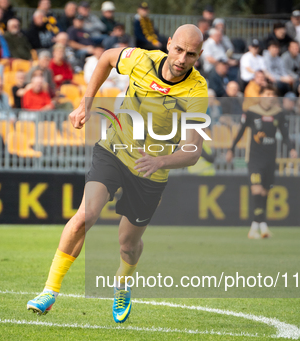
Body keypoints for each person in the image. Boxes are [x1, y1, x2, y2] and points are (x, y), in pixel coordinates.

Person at [25, 25, 208, 323]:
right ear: (169, 43)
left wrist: (161, 162)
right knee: (86, 215)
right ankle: (49, 291)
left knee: (128, 244)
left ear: (199, 56)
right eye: (178, 50)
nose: (182, 59)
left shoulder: (197, 91)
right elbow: (108, 57)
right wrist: (87, 101)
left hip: (151, 170)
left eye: (191, 55)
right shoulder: (142, 59)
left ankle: (122, 283)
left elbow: (194, 150)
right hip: (113, 149)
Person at [226, 86, 297, 239]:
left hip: (270, 159)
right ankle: (256, 229)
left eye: (272, 94)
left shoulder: (278, 114)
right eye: (267, 94)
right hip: (254, 158)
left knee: (265, 192)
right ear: (261, 96)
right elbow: (241, 130)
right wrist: (231, 149)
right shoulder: (252, 112)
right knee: (256, 190)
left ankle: (259, 227)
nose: (270, 97)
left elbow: (285, 134)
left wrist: (291, 149)